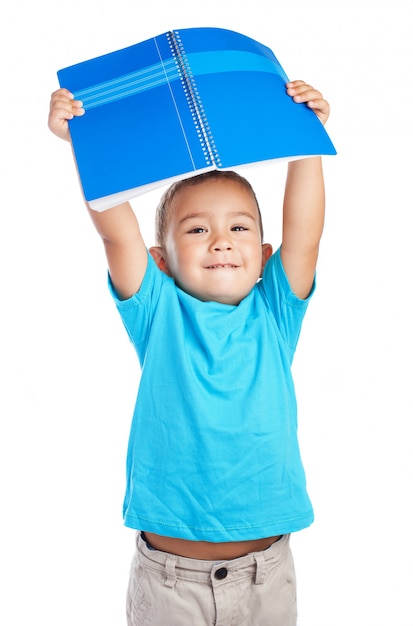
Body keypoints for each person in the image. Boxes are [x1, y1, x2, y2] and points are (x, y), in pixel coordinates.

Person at [48, 79, 330, 626]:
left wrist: (307, 141)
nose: (221, 241)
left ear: (264, 253)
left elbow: (306, 236)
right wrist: (83, 144)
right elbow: (117, 236)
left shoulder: (274, 309)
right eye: (197, 229)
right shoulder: (156, 310)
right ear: (162, 259)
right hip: (170, 583)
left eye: (239, 228)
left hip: (264, 577)